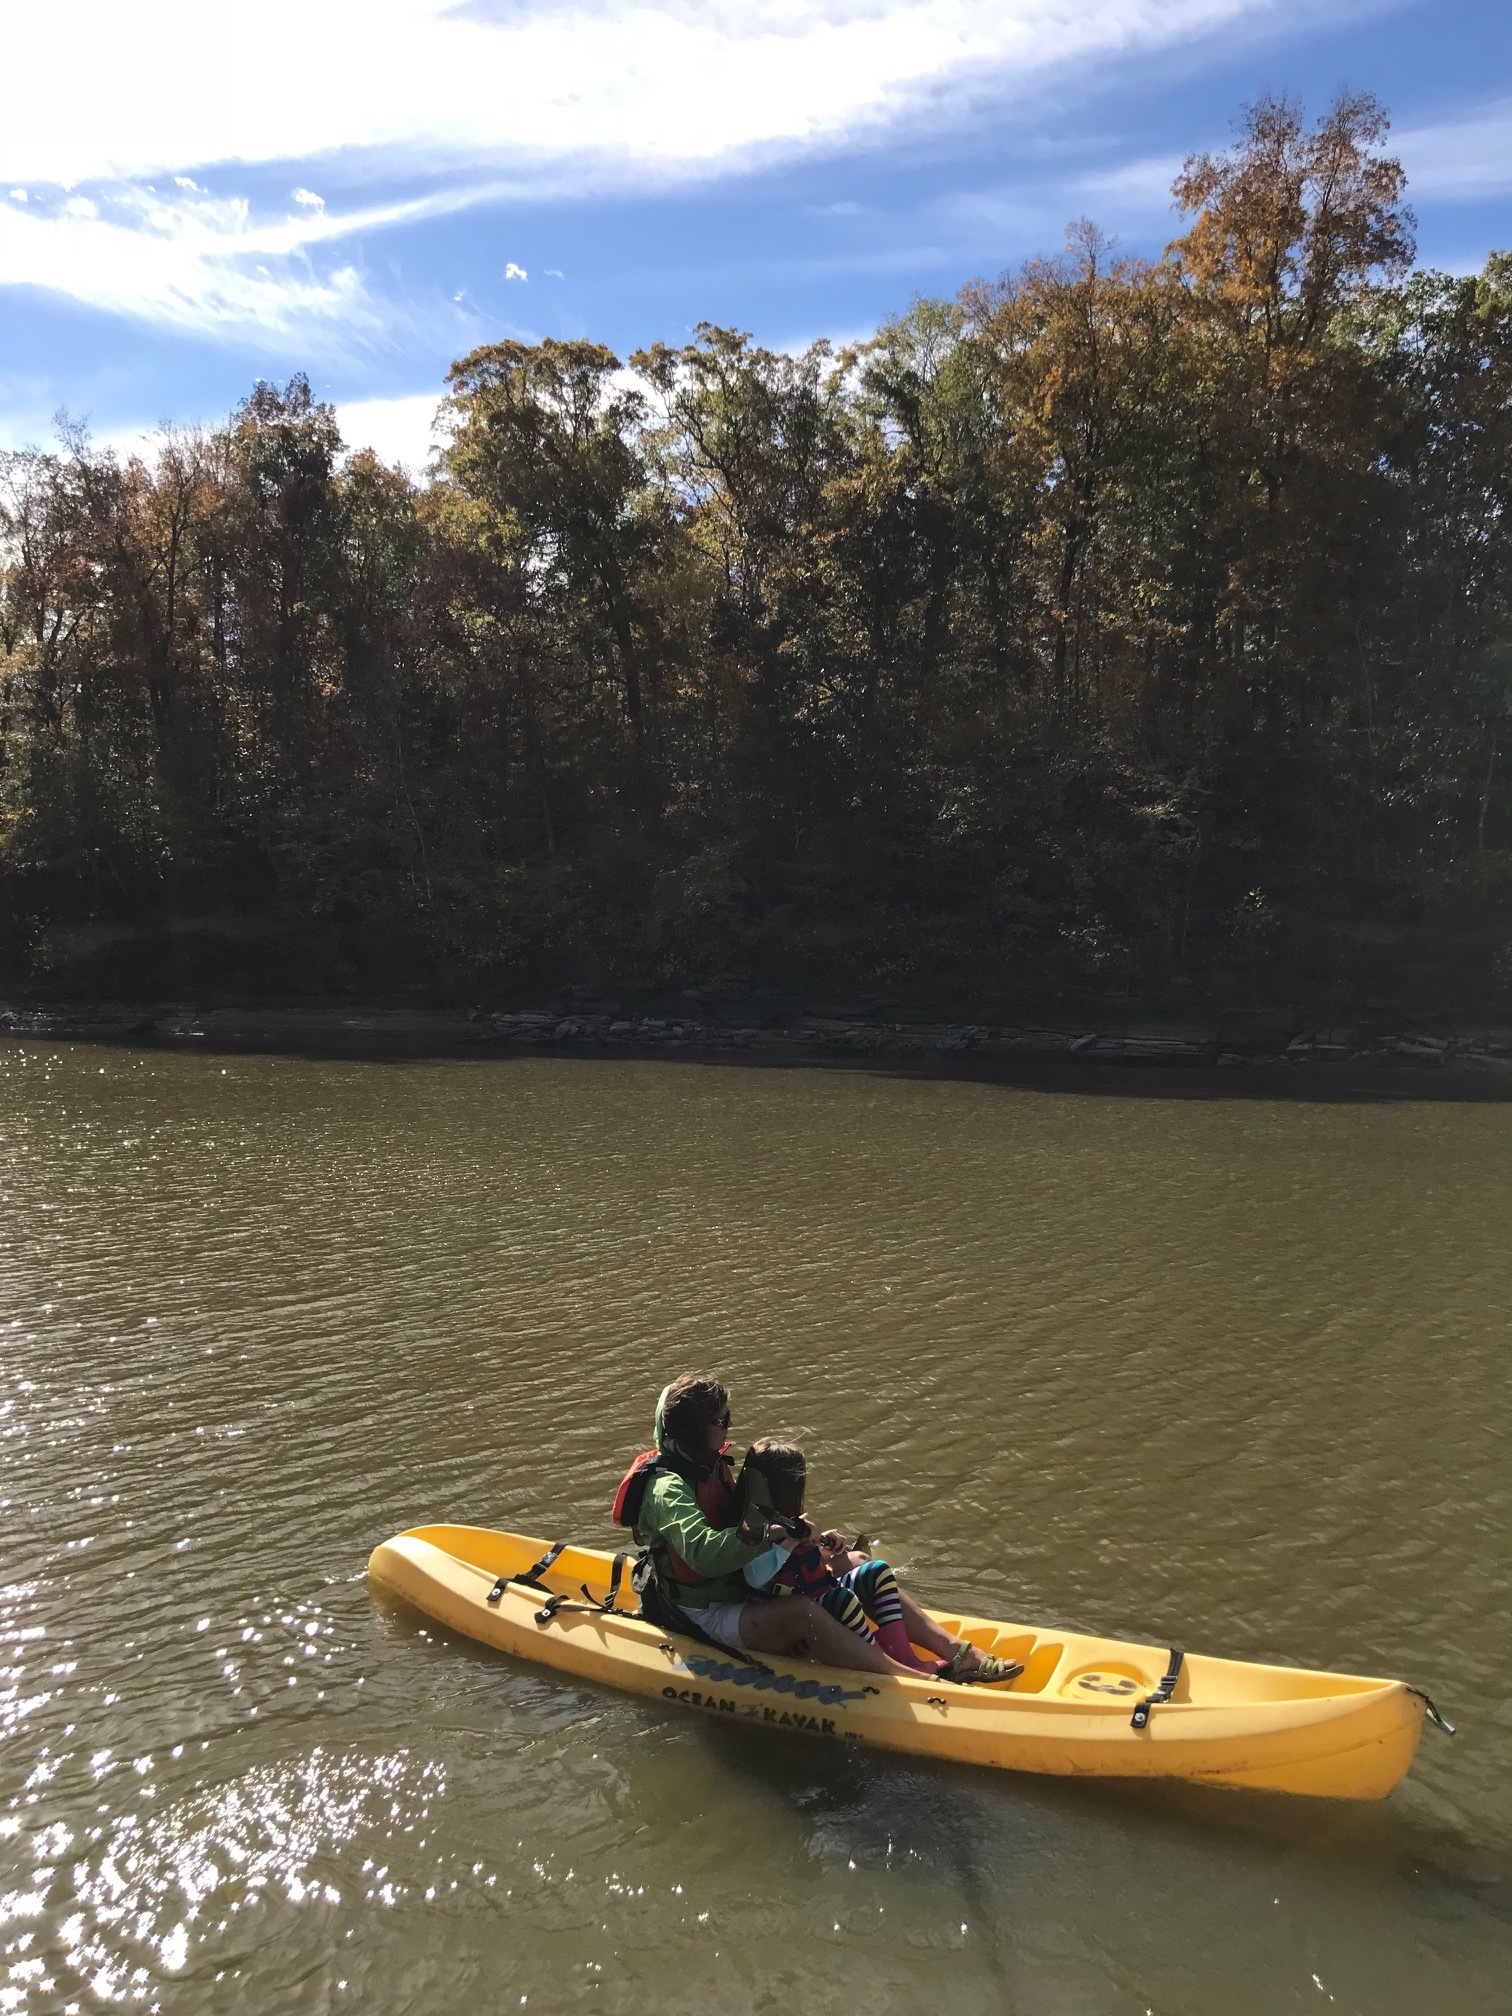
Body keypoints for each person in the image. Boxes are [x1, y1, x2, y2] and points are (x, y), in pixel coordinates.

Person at [625, 1372, 1017, 1683]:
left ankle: (958, 1653)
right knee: (801, 1612)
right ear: (695, 1432)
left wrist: (807, 1539)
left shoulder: (708, 1465)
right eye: (722, 1420)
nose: (730, 1426)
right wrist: (773, 1536)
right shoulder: (666, 1488)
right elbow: (705, 1555)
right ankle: (907, 1678)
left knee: (858, 1560)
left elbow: (759, 1528)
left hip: (745, 1589)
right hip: (707, 1613)